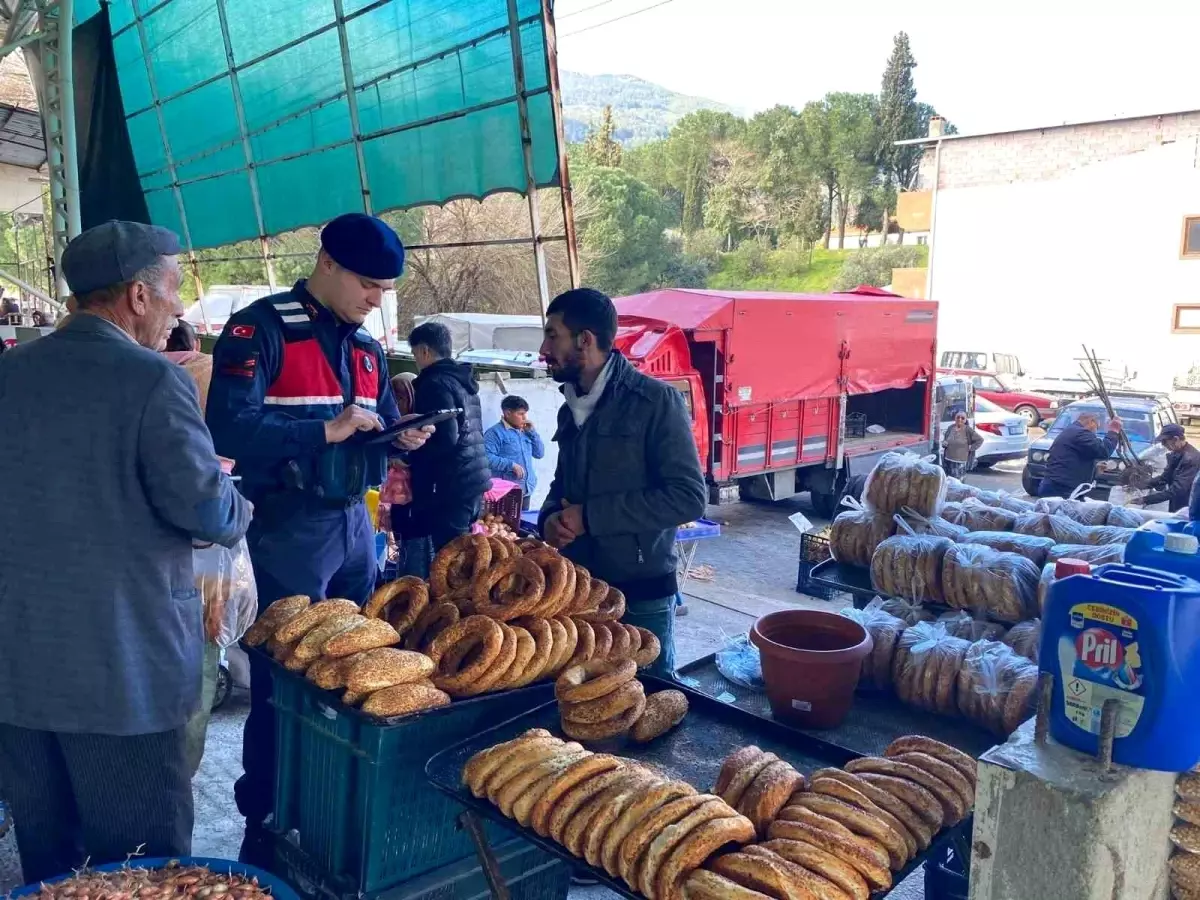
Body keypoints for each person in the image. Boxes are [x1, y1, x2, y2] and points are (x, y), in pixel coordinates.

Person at [0, 220, 252, 882]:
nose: (177, 310)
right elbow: (208, 512)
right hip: (122, 677)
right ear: (138, 296)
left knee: (51, 865)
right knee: (145, 869)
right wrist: (236, 497)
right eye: (172, 292)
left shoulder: (8, 373)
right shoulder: (150, 381)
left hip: (19, 672)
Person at [205, 213, 432, 868]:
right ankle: (265, 822)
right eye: (368, 284)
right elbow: (228, 427)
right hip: (287, 530)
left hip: (354, 528)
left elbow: (377, 424)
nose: (376, 299)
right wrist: (323, 431)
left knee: (350, 677)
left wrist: (401, 438)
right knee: (283, 687)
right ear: (327, 263)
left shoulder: (365, 351)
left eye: (385, 289)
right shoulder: (262, 328)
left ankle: (331, 811)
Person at [538, 288, 706, 678]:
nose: (544, 347)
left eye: (552, 334)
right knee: (583, 706)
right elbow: (562, 485)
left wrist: (590, 517)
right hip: (580, 596)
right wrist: (550, 520)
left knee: (647, 704)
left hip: (641, 596)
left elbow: (688, 497)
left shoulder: (655, 402)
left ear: (585, 340)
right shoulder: (571, 408)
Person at [406, 321, 492, 553]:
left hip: (451, 484)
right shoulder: (463, 381)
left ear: (424, 350)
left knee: (450, 559)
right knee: (463, 553)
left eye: (415, 353)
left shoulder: (434, 383)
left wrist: (410, 455)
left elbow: (445, 437)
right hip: (473, 479)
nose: (416, 359)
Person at [1039, 410, 1123, 498]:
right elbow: (1104, 450)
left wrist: (1094, 470)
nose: (1095, 432)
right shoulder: (1080, 433)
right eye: (1096, 427)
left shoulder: (1072, 431)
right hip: (1062, 488)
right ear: (1091, 421)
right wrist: (1113, 431)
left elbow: (1071, 461)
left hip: (1058, 485)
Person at [484, 395, 544, 509]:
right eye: (520, 414)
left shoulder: (526, 430)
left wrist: (532, 432)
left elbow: (539, 453)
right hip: (505, 492)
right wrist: (511, 465)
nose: (525, 417)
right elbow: (486, 458)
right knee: (505, 526)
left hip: (526, 490)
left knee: (523, 525)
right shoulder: (494, 433)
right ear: (507, 413)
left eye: (525, 413)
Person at [1137, 423, 1200, 512]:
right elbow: (1164, 478)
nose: (1163, 445)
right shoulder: (1176, 454)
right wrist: (1142, 484)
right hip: (1177, 504)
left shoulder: (1191, 459)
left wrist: (1145, 500)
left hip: (1189, 507)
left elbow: (1177, 490)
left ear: (1176, 439)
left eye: (1164, 441)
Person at [941, 408, 983, 478]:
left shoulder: (968, 430)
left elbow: (980, 440)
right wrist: (944, 443)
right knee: (948, 480)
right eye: (958, 417)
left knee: (957, 482)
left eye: (962, 418)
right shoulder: (950, 428)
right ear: (955, 418)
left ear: (965, 420)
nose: (960, 419)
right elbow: (945, 440)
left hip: (959, 462)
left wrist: (971, 448)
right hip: (947, 460)